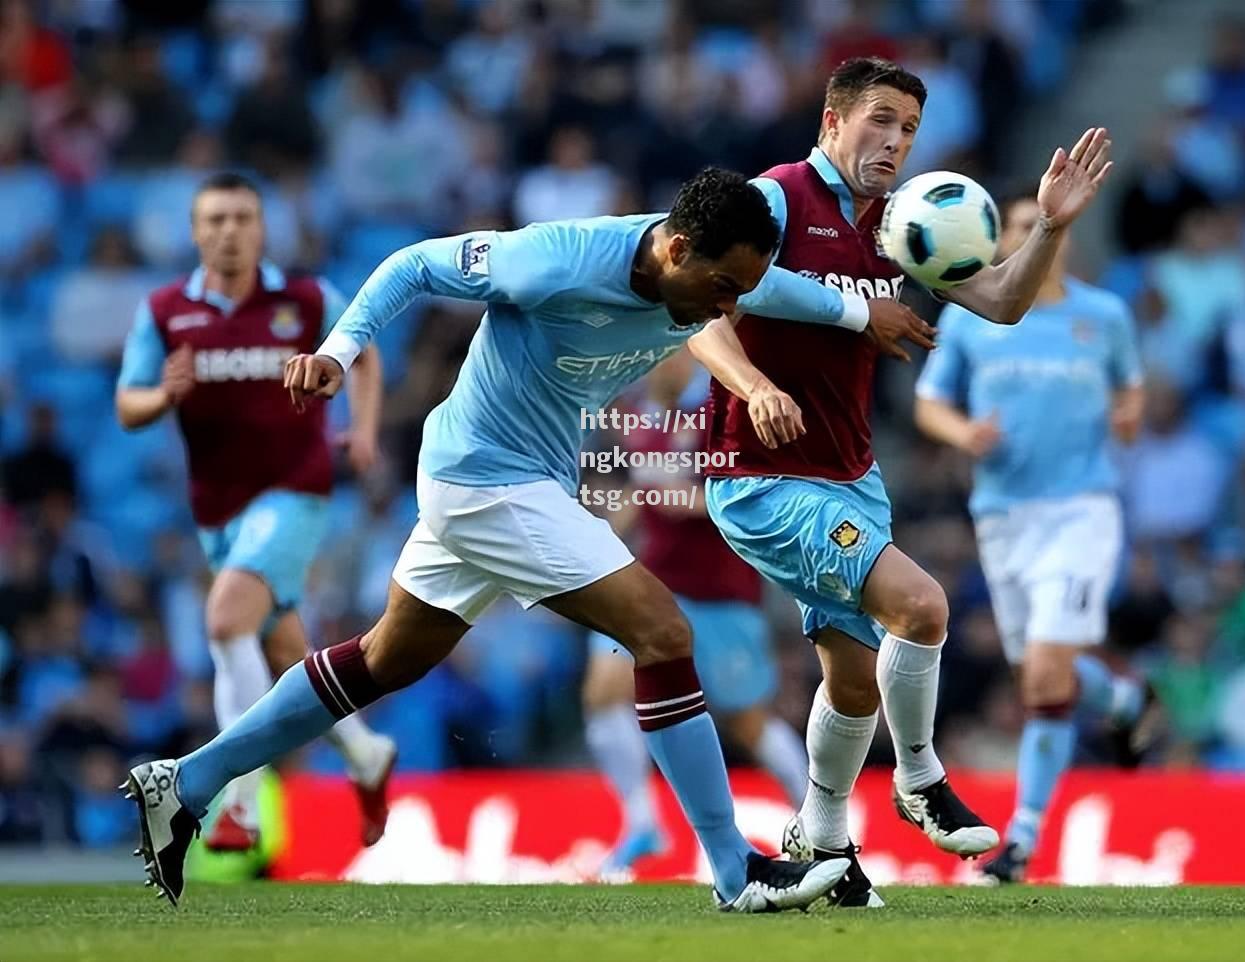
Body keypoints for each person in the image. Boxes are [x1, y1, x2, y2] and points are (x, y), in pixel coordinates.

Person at [122, 166, 910, 911]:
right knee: (662, 629)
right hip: (485, 479)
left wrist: (858, 313)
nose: (725, 308)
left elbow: (776, 288)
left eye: (738, 290)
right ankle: (736, 870)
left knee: (383, 659)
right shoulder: (556, 260)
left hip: (517, 477)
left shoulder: (714, 273)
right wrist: (338, 350)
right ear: (675, 248)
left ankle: (183, 785)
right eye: (720, 288)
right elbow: (412, 265)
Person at [689, 57, 1115, 908]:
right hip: (761, 475)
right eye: (879, 120)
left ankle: (823, 842)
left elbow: (998, 301)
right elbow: (703, 312)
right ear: (832, 121)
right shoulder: (776, 200)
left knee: (852, 680)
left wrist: (1051, 230)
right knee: (921, 606)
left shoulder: (901, 222)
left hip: (851, 474)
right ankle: (919, 777)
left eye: (910, 129)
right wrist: (760, 386)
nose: (894, 141)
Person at [115, 172, 398, 854]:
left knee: (222, 618)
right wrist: (164, 395)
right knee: (278, 653)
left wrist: (362, 431)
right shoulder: (165, 310)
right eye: (215, 219)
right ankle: (365, 752)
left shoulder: (301, 299)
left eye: (242, 217)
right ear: (194, 231)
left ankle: (238, 801)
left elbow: (363, 354)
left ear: (262, 228)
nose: (229, 231)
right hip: (218, 510)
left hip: (295, 489)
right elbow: (128, 404)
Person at [914, 188, 1162, 883]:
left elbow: (1131, 387)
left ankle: (1021, 839)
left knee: (1047, 675)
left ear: (1063, 239)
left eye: (1039, 226)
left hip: (1081, 508)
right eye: (1016, 229)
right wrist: (965, 433)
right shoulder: (972, 319)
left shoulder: (1102, 315)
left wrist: (1128, 416)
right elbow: (930, 402)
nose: (1029, 237)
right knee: (1039, 681)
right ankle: (1123, 700)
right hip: (1003, 515)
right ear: (995, 245)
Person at [583, 352, 808, 877]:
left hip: (720, 593)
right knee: (602, 692)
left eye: (670, 355)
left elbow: (750, 494)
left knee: (748, 720)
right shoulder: (637, 421)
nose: (659, 365)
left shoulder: (718, 416)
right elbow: (637, 499)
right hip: (654, 586)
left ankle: (817, 817)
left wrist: (687, 500)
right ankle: (641, 822)